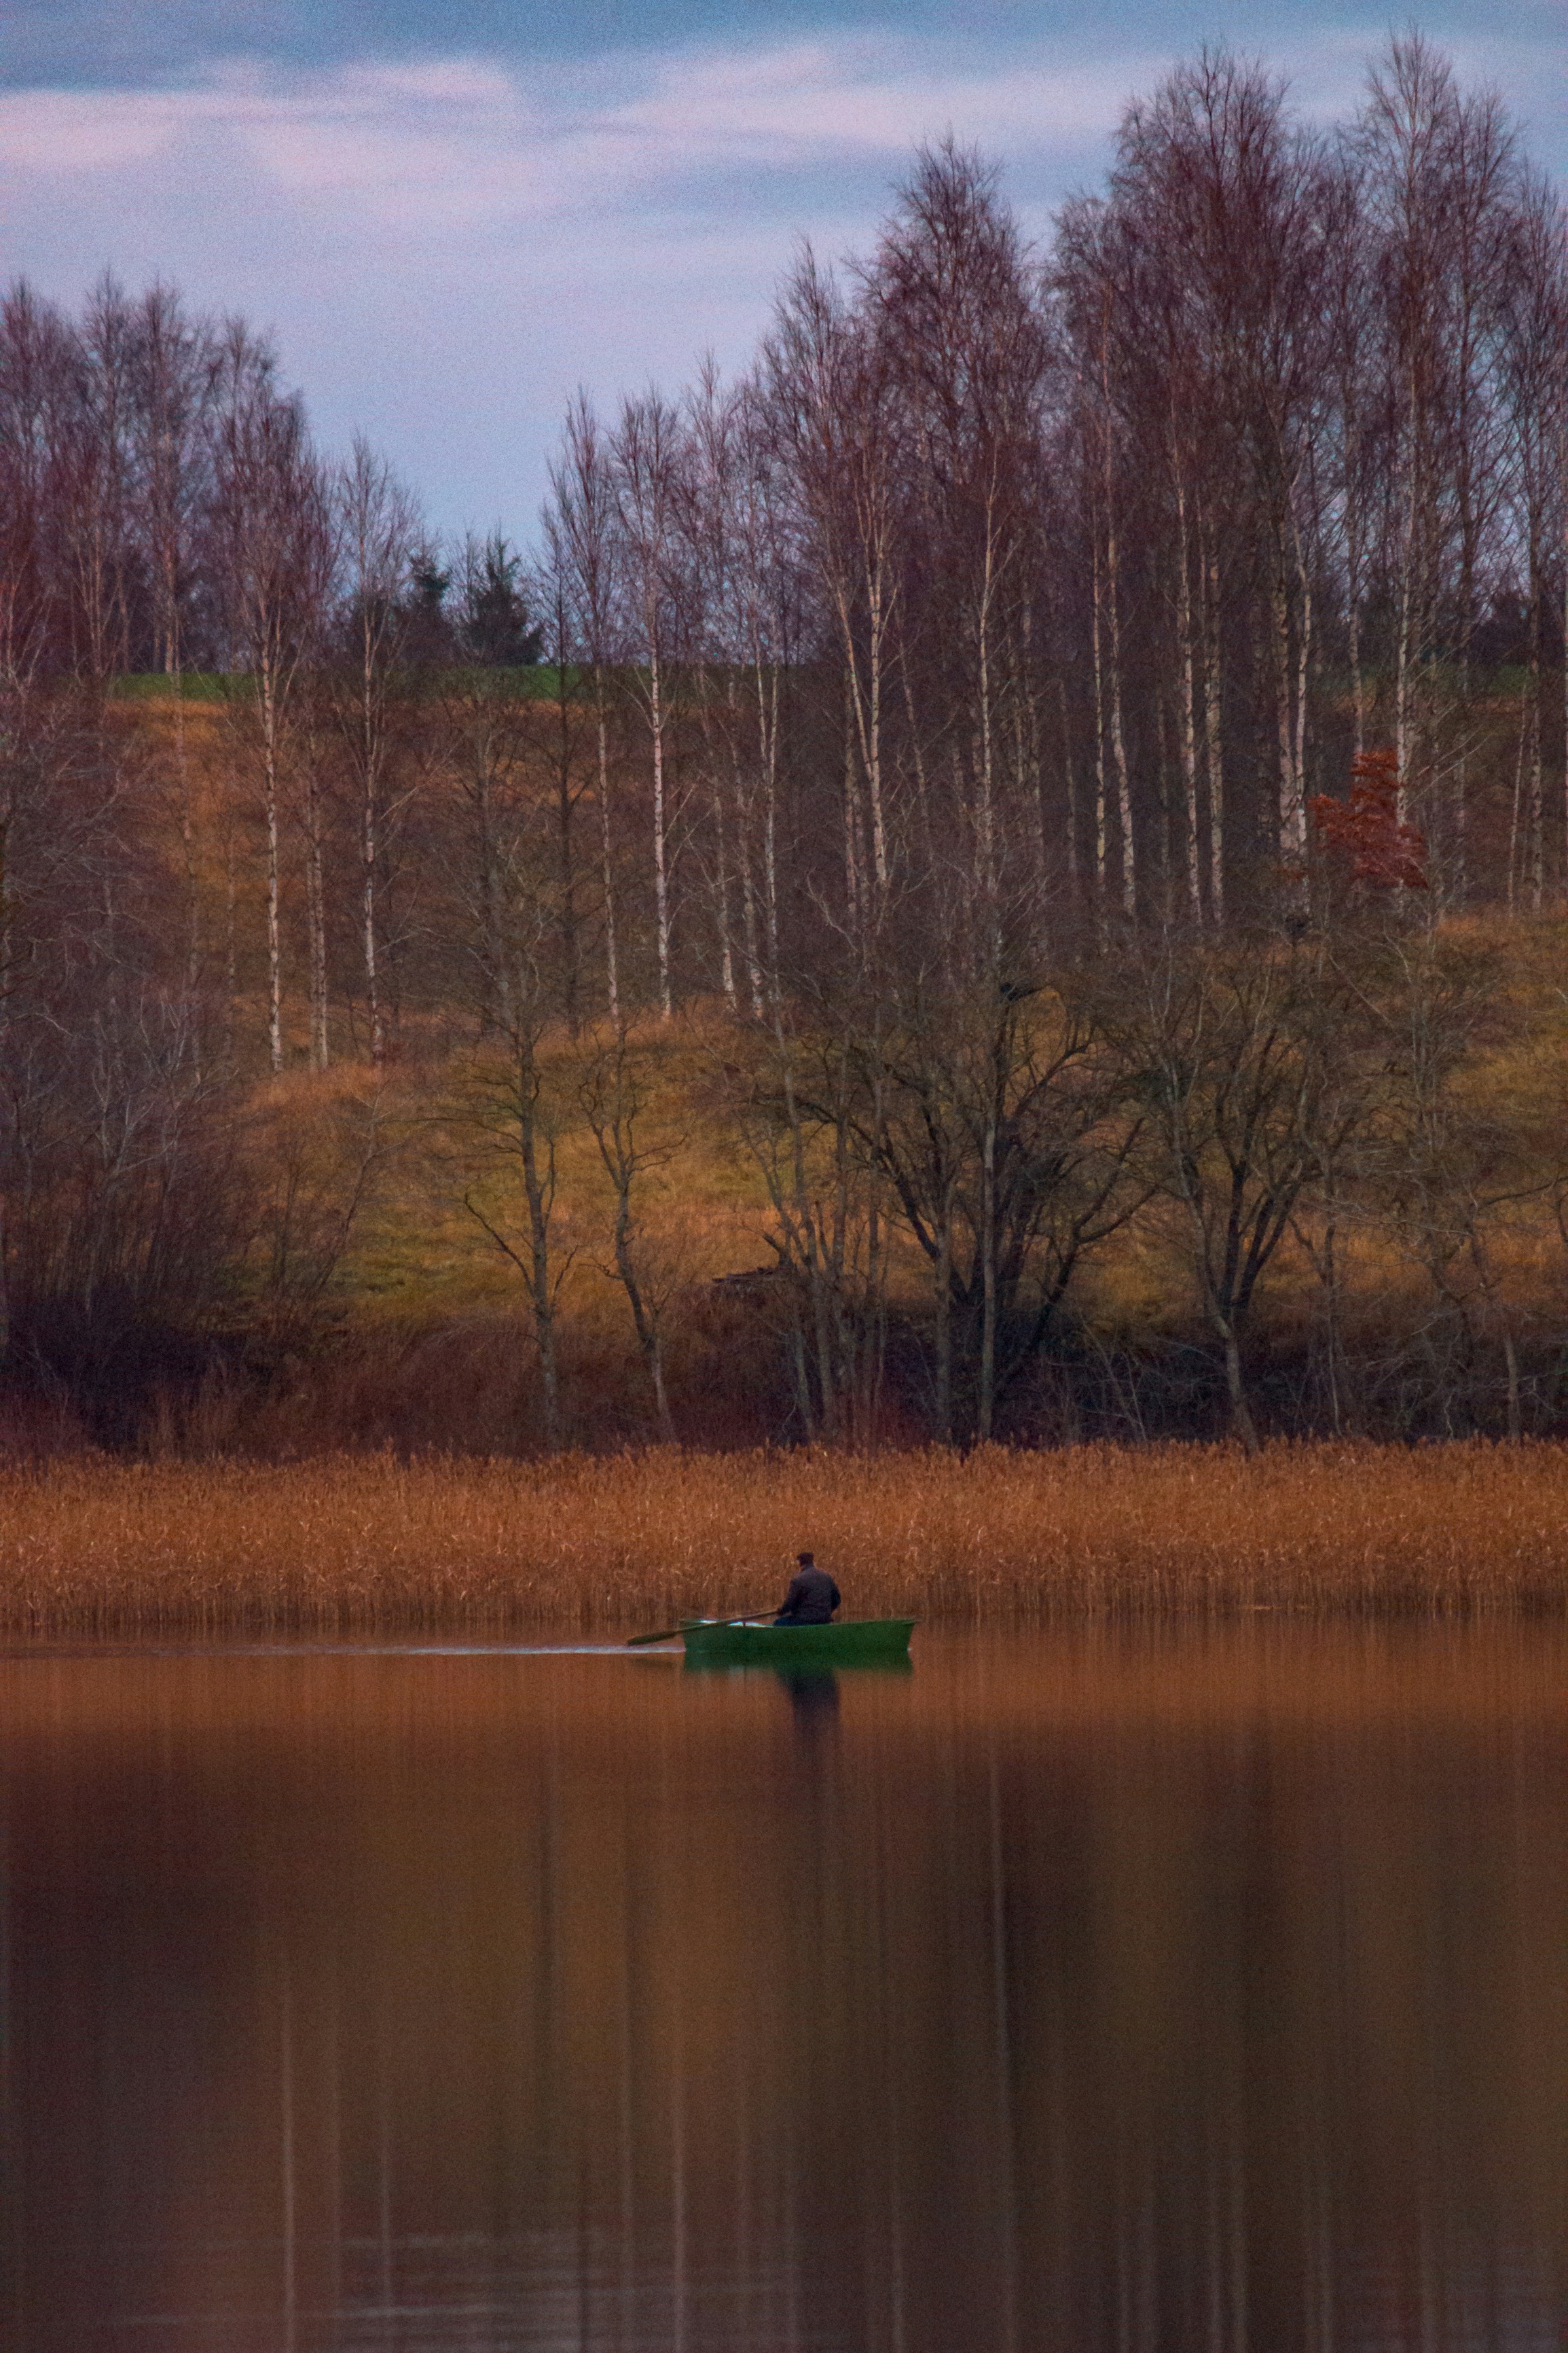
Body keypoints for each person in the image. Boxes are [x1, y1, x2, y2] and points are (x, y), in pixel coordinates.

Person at [774, 1551, 841, 1626]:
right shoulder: (827, 1577)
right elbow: (837, 1600)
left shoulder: (798, 1580)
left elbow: (790, 1603)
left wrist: (781, 1611)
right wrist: (826, 1612)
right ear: (812, 1562)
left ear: (799, 1563)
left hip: (804, 1621)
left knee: (778, 1623)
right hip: (824, 1620)